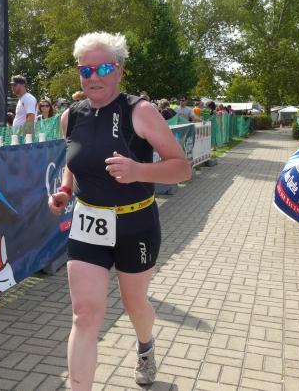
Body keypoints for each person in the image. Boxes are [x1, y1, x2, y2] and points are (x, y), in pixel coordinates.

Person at [48, 32, 191, 389]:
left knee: (134, 304)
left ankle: (145, 346)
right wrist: (65, 190)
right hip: (88, 222)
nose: (93, 77)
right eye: (86, 70)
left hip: (135, 224)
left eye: (103, 68)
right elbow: (75, 163)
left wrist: (138, 171)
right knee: (84, 315)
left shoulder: (139, 111)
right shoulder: (70, 117)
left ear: (119, 71)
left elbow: (182, 168)